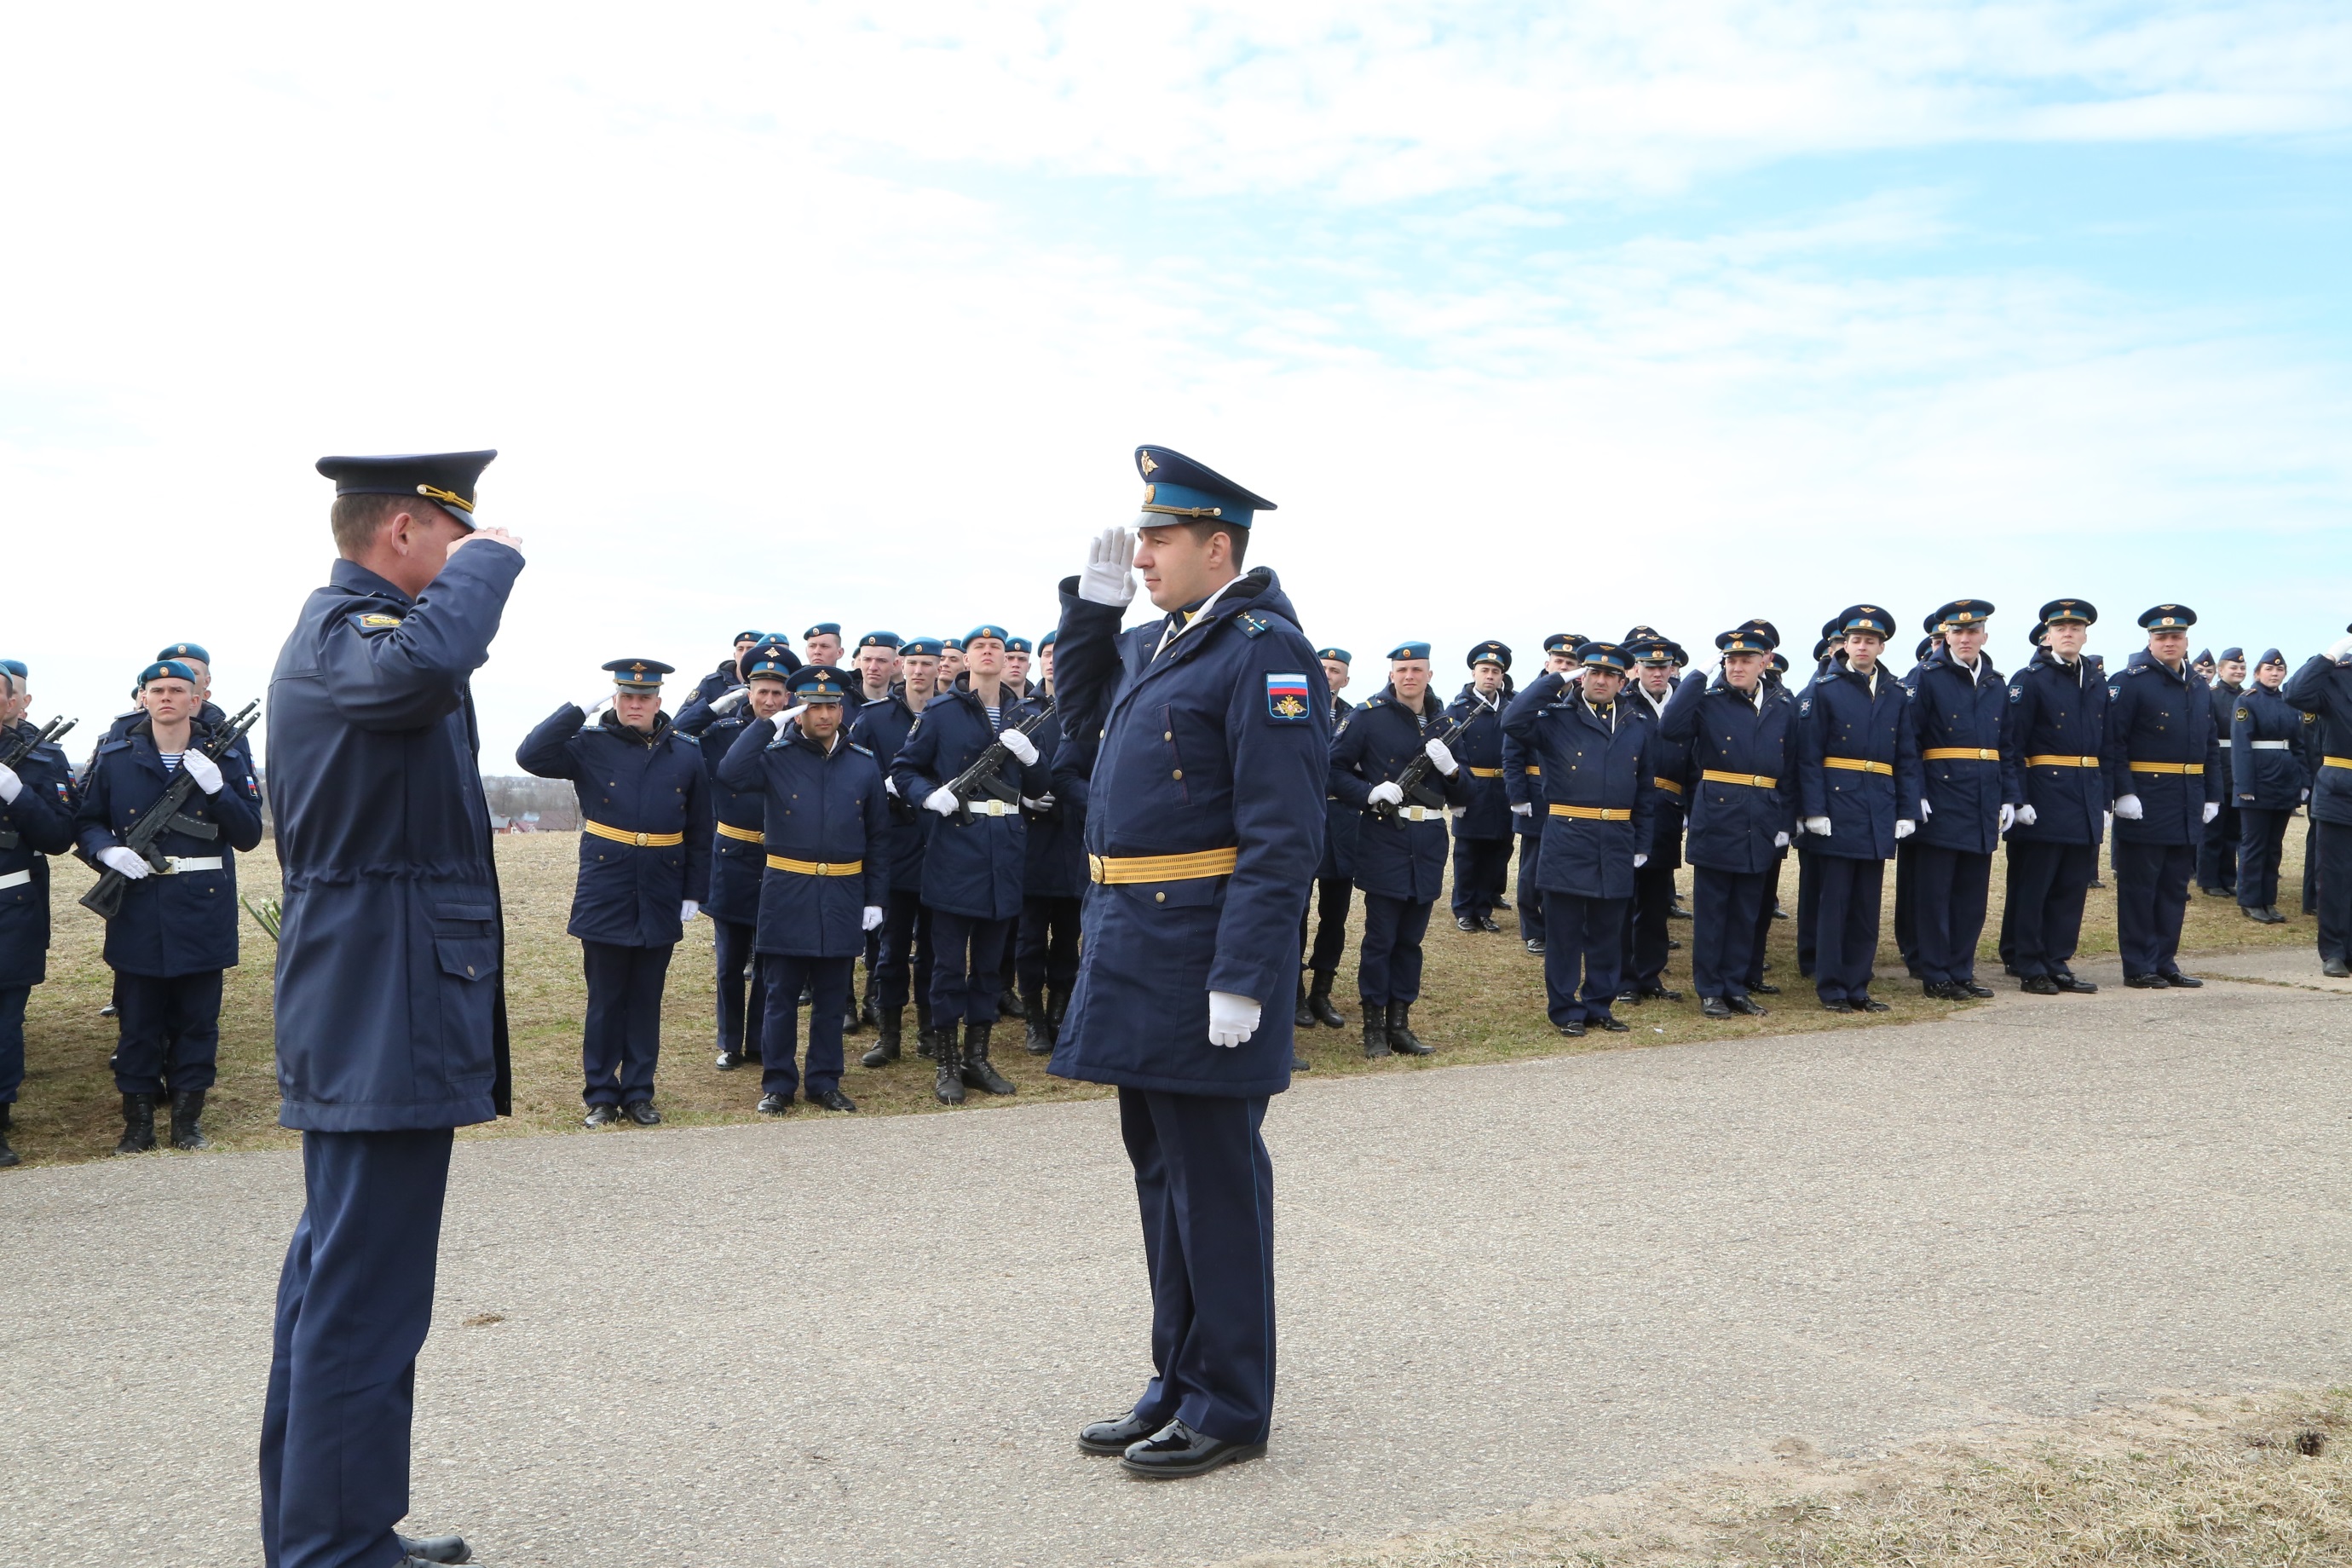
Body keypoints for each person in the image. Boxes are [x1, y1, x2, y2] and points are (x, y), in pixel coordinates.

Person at [261, 449, 523, 1568]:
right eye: (456, 539)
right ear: (406, 531)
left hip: (381, 990)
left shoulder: (363, 636)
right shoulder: (355, 635)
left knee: (347, 1283)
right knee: (362, 1292)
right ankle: (332, 1549)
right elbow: (415, 675)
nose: (468, 558)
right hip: (382, 997)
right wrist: (493, 566)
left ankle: (334, 1530)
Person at [1051, 445, 1327, 1480]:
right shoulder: (1165, 642)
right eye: (1142, 539)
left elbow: (1283, 835)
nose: (1144, 554)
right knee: (1164, 1179)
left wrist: (1244, 977)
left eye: (1159, 539)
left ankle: (1232, 1403)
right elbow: (1080, 722)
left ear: (1219, 546)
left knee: (1216, 1188)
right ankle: (1177, 1379)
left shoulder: (1264, 651)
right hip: (1137, 942)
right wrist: (1091, 614)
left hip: (1204, 954)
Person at [75, 658, 265, 1153]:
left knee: (198, 1021)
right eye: (156, 690)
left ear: (195, 700)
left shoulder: (223, 759)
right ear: (142, 698)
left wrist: (219, 790)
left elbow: (248, 834)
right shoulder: (117, 758)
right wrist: (106, 851)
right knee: (138, 1023)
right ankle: (137, 1125)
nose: (166, 697)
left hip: (202, 907)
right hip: (139, 905)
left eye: (178, 690)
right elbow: (87, 821)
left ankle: (187, 1122)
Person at [516, 657, 712, 1125]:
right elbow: (530, 755)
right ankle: (601, 1094)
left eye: (644, 697)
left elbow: (701, 828)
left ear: (658, 702)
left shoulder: (686, 751)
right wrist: (577, 709)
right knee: (605, 999)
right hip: (607, 885)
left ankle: (639, 1092)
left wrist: (694, 890)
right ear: (615, 698)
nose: (635, 705)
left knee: (646, 998)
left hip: (662, 885)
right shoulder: (588, 744)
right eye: (626, 696)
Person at [716, 664, 887, 1114]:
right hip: (787, 891)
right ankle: (778, 1084)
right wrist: (766, 725)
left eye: (831, 705)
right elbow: (730, 774)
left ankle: (824, 1081)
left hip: (843, 891)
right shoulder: (775, 757)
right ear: (799, 710)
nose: (824, 714)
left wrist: (875, 898)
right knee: (780, 997)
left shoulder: (863, 764)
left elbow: (878, 837)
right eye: (813, 706)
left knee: (831, 997)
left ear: (842, 709)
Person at [890, 624, 1035, 1103]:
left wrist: (1033, 760)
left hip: (1004, 851)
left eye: (997, 647)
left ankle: (978, 1057)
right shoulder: (942, 711)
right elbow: (904, 768)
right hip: (956, 847)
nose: (989, 652)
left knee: (990, 967)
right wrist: (928, 796)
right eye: (979, 647)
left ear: (1008, 659)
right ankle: (948, 1062)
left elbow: (1042, 785)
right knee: (949, 966)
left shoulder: (1025, 714)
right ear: (965, 660)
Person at [1502, 641, 1654, 1035]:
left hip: (1616, 837)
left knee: (1607, 931)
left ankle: (1599, 1004)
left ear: (1622, 681)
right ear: (1582, 677)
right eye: (1594, 673)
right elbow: (1512, 720)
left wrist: (1642, 842)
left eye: (1610, 675)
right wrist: (1556, 679)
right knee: (1565, 932)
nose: (1601, 680)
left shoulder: (1636, 722)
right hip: (1568, 836)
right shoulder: (1556, 718)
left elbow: (1645, 788)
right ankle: (1566, 1009)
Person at [1329, 642, 1470, 1057]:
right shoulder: (1367, 717)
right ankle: (1373, 1027)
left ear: (1429, 675)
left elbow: (1467, 794)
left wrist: (1453, 771)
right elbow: (1332, 769)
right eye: (1402, 670)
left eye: (1417, 669)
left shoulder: (1446, 723)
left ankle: (1400, 1024)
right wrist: (1369, 791)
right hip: (1384, 838)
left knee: (1411, 941)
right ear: (1391, 674)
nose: (1409, 676)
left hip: (1428, 842)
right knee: (1381, 939)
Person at [1658, 625, 1796, 1018]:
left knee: (1746, 909)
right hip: (1719, 813)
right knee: (1713, 910)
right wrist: (1698, 676)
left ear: (1763, 663)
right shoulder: (1709, 700)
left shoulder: (1781, 704)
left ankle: (1735, 986)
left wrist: (1785, 820)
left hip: (1762, 814)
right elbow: (1670, 727)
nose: (1737, 667)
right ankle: (1710, 989)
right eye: (1730, 660)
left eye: (1746, 660)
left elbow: (1791, 766)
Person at [676, 642, 795, 1069]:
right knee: (729, 961)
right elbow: (676, 734)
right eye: (762, 691)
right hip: (732, 853)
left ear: (788, 696)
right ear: (748, 692)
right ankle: (729, 1041)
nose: (770, 701)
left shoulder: (795, 732)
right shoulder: (724, 730)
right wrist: (710, 709)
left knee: (769, 958)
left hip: (780, 858)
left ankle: (760, 1040)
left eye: (777, 693)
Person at [1795, 606, 1919, 1014]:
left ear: (1882, 647)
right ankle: (1832, 986)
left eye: (1870, 641)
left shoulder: (1896, 693)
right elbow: (1808, 755)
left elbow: (1906, 755)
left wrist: (1907, 809)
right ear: (1844, 645)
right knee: (1835, 904)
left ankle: (1858, 984)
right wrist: (1814, 809)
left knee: (1866, 905)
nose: (1862, 646)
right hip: (1836, 806)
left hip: (1877, 806)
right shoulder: (1824, 689)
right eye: (1855, 640)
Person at [2103, 605, 2222, 989]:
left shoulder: (2198, 685)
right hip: (2146, 798)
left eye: (2176, 637)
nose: (2169, 642)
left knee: (2174, 887)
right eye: (2161, 637)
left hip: (2186, 799)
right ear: (2150, 641)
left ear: (2186, 641)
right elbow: (2114, 743)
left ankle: (2165, 960)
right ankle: (2139, 965)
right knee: (2140, 888)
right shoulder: (2130, 682)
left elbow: (2209, 745)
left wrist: (2212, 795)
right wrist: (2123, 792)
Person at [1999, 599, 2108, 994]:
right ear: (2047, 636)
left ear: (2085, 636)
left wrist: (2106, 799)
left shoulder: (2094, 680)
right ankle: (2028, 962)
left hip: (2083, 795)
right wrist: (2018, 798)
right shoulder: (2030, 679)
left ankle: (2057, 960)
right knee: (2035, 886)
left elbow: (2107, 744)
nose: (2068, 634)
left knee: (2071, 886)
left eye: (2076, 629)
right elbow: (2012, 744)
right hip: (2043, 795)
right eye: (2061, 628)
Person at [1905, 599, 2009, 1000]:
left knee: (1971, 895)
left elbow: (2008, 745)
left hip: (1982, 799)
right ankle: (1936, 973)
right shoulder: (1926, 676)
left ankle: (1961, 970)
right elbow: (1909, 742)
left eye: (1972, 632)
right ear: (1946, 636)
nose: (1965, 638)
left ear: (1985, 636)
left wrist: (2010, 796)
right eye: (1958, 632)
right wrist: (1916, 794)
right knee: (1936, 894)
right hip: (1941, 797)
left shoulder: (1995, 682)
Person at [0, 665, 77, 1168]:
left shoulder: (41, 759)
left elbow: (58, 837)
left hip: (10, 907)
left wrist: (18, 794)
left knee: (4, 1022)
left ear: (12, 703)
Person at [851, 637, 940, 1065]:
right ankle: (888, 1035)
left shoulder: (950, 715)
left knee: (935, 950)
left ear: (941, 668)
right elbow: (855, 774)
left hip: (940, 845)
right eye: (913, 664)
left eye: (928, 664)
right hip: (893, 846)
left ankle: (930, 1030)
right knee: (891, 949)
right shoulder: (874, 718)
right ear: (901, 667)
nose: (919, 672)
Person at [1015, 631, 1085, 1053]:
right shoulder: (1022, 712)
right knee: (1029, 938)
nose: (1054, 660)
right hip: (1034, 838)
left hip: (1077, 837)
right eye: (1046, 654)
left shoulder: (1090, 709)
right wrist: (1022, 798)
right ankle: (1034, 1018)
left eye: (1062, 653)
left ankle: (1060, 1012)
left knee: (1068, 935)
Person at [1620, 637, 1691, 1002]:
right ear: (1637, 669)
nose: (1658, 673)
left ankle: (1650, 975)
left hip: (1667, 811)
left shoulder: (1684, 704)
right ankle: (1623, 978)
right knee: (1624, 900)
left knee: (1655, 901)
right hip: (1629, 809)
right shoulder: (1623, 704)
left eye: (1664, 667)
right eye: (1650, 667)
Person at [1504, 633, 1581, 956]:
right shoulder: (1530, 699)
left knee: (1565, 866)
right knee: (1532, 867)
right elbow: (1512, 753)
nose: (1563, 666)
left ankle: (1558, 925)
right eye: (1558, 661)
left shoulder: (1581, 701)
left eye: (1570, 663)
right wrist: (1518, 796)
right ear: (1547, 663)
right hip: (1536, 795)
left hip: (1571, 798)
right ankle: (1533, 928)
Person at [2282, 625, 2352, 976]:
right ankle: (2335, 951)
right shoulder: (2335, 678)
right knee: (2335, 876)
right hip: (2341, 789)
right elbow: (2295, 694)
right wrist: (2330, 654)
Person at [1298, 646, 1358, 1029]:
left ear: (1345, 680)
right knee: (1297, 912)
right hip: (1303, 818)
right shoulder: (1295, 709)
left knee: (1335, 916)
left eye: (1335, 670)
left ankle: (1322, 991)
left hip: (1342, 822)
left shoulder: (1356, 717)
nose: (1327, 675)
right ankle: (1294, 993)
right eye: (1321, 668)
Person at [2232, 649, 2308, 925]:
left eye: (2279, 669)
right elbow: (2241, 746)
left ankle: (2268, 899)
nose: (2275, 674)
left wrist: (2303, 781)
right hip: (2258, 781)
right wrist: (2244, 785)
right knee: (2254, 844)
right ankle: (2251, 900)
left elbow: (2299, 745)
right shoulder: (2247, 700)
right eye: (2269, 669)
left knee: (2274, 846)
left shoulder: (2290, 702)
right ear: (2257, 673)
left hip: (2284, 780)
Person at [1446, 642, 1516, 932]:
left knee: (1497, 852)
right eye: (1484, 670)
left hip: (1504, 789)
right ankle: (1464, 909)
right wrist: (1455, 795)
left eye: (1495, 671)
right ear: (1473, 673)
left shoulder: (1512, 708)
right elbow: (1450, 753)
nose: (1490, 675)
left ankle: (1484, 908)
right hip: (1472, 787)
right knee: (1468, 854)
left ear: (1502, 677)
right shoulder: (1458, 709)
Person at [2199, 647, 2248, 896]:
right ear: (2220, 670)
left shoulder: (2248, 697)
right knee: (2213, 829)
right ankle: (2209, 879)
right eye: (2233, 667)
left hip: (2239, 769)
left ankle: (2227, 878)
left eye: (2242, 667)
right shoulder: (2211, 696)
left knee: (2233, 829)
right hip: (2218, 765)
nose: (2239, 671)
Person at [697, 630, 772, 706]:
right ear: (734, 655)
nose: (744, 654)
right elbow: (690, 711)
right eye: (740, 649)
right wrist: (712, 709)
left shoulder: (773, 683)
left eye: (750, 649)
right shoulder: (712, 684)